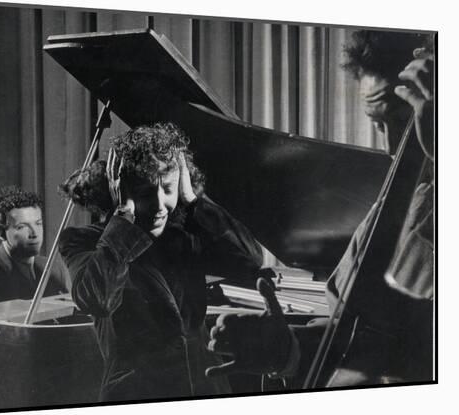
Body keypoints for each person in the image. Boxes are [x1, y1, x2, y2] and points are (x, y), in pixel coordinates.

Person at [206, 30, 434, 388]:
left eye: (404, 120)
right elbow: (357, 334)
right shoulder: (388, 209)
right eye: (378, 125)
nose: (393, 146)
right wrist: (289, 351)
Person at [57, 122, 264, 402]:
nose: (158, 206)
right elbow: (96, 299)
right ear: (120, 191)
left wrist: (193, 200)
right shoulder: (84, 241)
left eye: (167, 188)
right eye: (144, 193)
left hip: (205, 391)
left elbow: (249, 261)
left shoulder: (188, 234)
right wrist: (123, 217)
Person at [0, 186, 71, 305]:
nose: (34, 233)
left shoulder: (55, 269)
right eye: (21, 227)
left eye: (38, 224)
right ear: (0, 232)